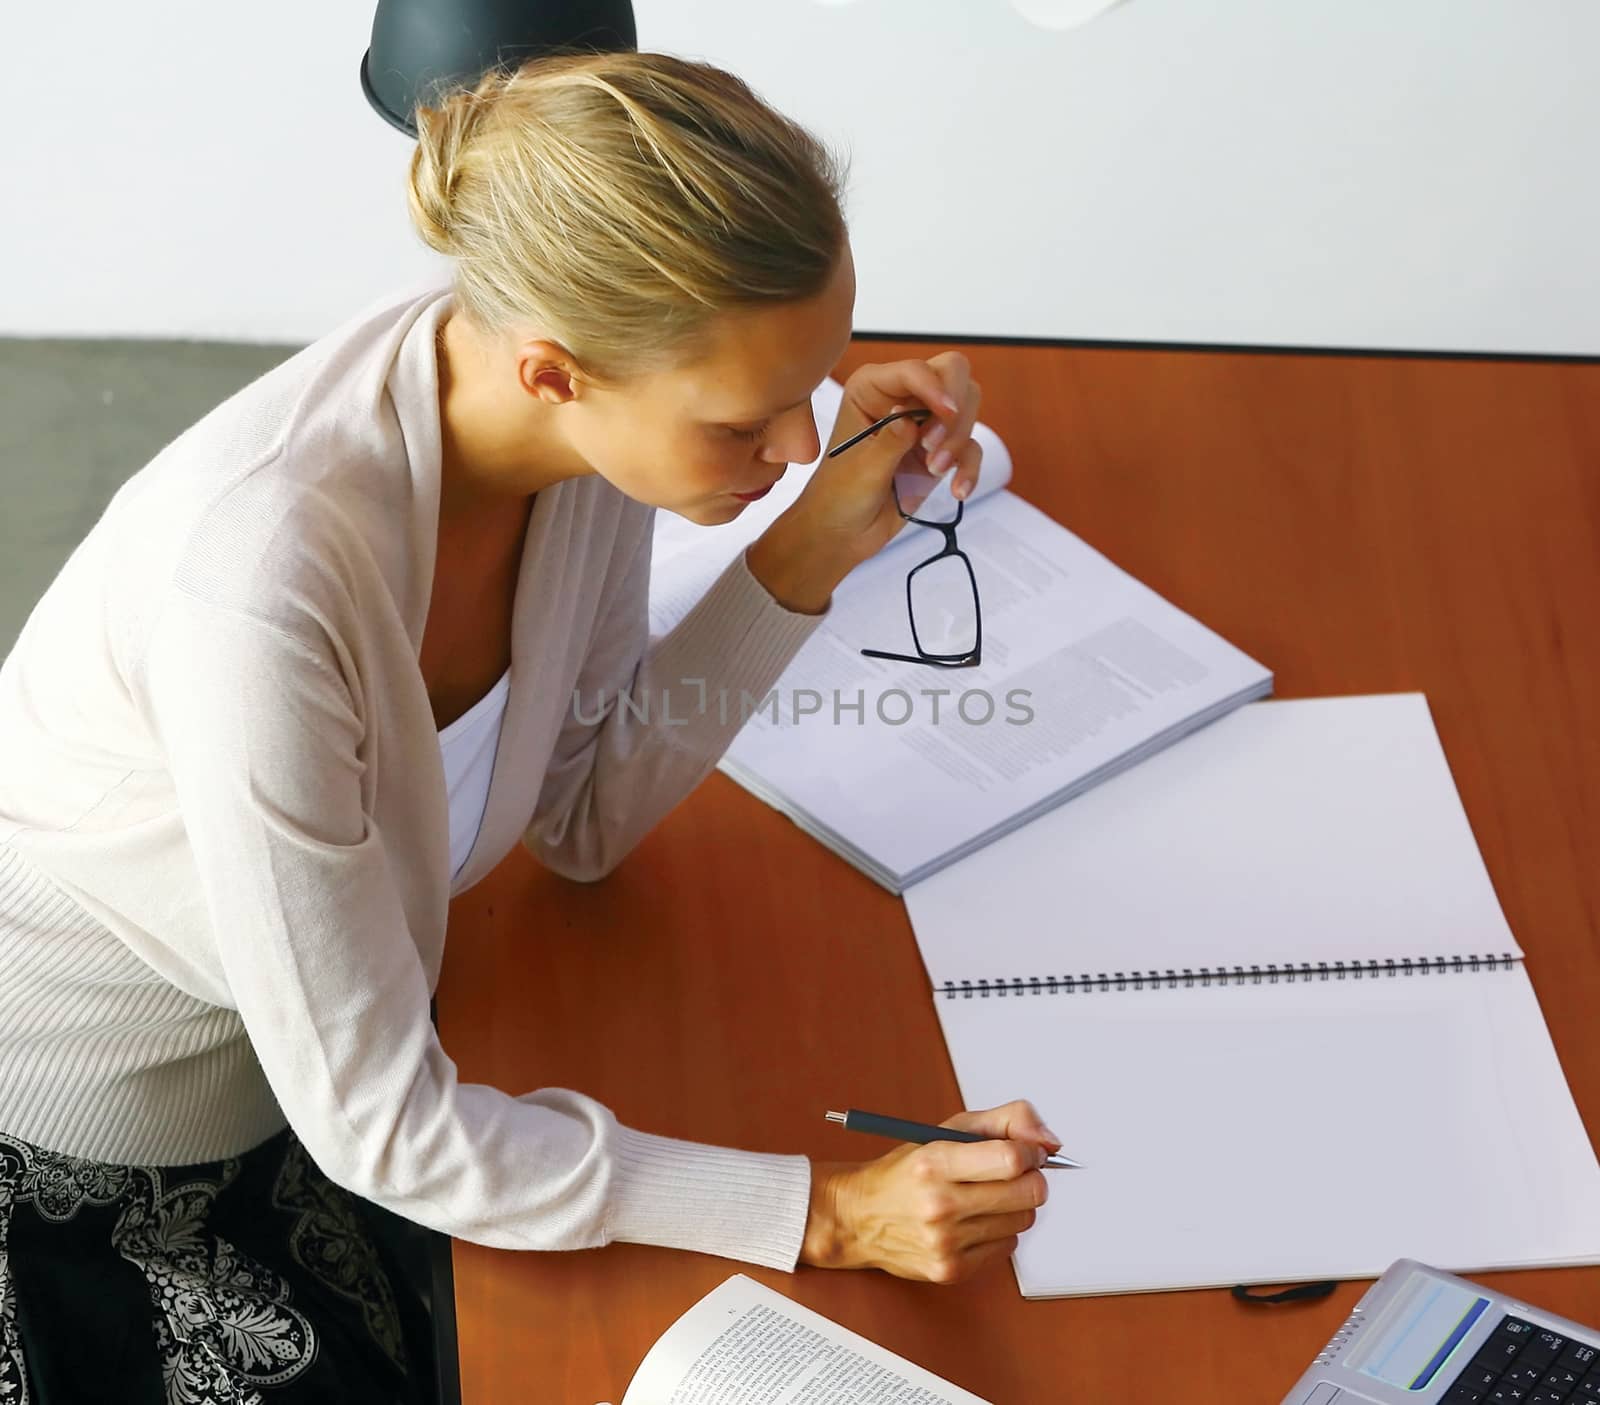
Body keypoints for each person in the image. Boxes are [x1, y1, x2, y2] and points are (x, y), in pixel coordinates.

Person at [0, 51, 1059, 1402]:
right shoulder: (258, 593)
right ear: (557, 370)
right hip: (107, 1151)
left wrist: (806, 551)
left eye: (814, 385)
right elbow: (388, 1130)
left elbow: (579, 818)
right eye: (747, 419)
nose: (803, 442)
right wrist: (829, 1213)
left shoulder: (567, 433)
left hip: (330, 1063)